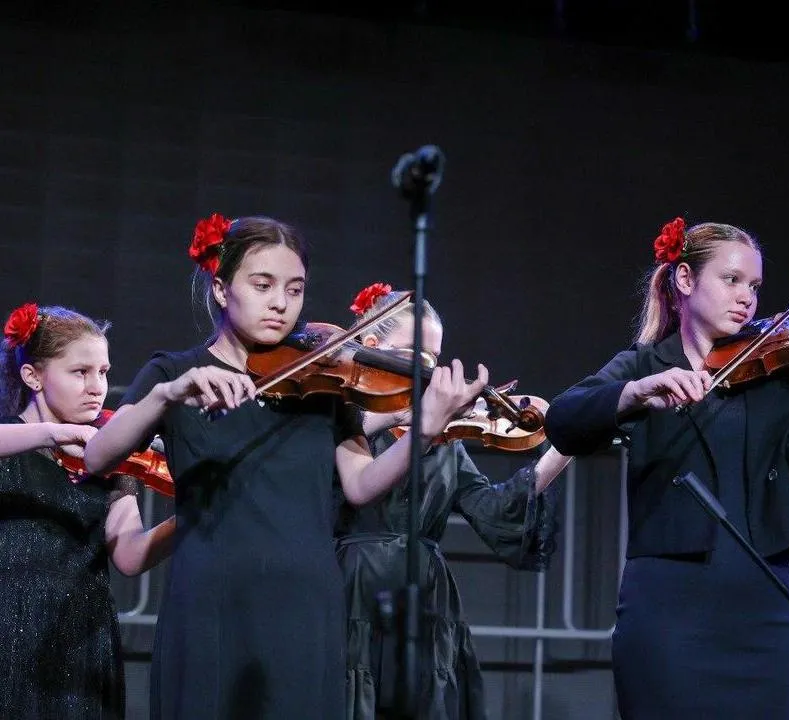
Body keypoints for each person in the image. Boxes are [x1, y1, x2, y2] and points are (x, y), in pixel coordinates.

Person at [83, 215, 488, 720]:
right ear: (220, 289)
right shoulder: (173, 373)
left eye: (294, 289)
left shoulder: (323, 385)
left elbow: (361, 486)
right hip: (212, 597)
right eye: (263, 285)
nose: (281, 303)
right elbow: (97, 455)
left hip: (307, 601)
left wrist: (424, 431)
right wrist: (165, 397)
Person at [543, 217, 789, 719]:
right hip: (669, 610)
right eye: (732, 279)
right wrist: (634, 395)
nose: (747, 298)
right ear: (686, 281)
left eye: (755, 286)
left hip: (764, 608)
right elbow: (564, 420)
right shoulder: (643, 366)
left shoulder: (779, 372)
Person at [335, 283, 570, 720]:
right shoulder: (340, 415)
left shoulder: (444, 439)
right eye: (414, 355)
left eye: (434, 360)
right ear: (372, 346)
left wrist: (565, 444)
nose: (429, 371)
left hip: (425, 598)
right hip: (351, 591)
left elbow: (494, 510)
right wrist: (405, 416)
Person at [0, 302, 175, 719]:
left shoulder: (113, 460)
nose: (97, 386)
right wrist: (52, 432)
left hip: (82, 636)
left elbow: (129, 556)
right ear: (34, 376)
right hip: (9, 627)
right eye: (80, 372)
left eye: (104, 372)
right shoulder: (10, 442)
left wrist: (193, 514)